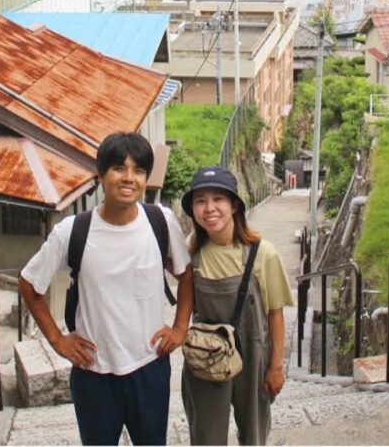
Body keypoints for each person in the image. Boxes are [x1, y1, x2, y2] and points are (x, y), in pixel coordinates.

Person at [18, 132, 193, 446]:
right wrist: (57, 339)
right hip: (93, 372)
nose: (129, 178)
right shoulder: (73, 231)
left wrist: (180, 328)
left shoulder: (160, 221)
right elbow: (29, 283)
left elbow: (186, 274)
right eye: (118, 168)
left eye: (138, 170)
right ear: (100, 175)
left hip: (149, 367)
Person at [180, 166, 294, 446]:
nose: (209, 208)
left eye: (218, 199)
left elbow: (275, 315)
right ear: (193, 210)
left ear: (234, 205)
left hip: (253, 356)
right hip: (206, 357)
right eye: (200, 201)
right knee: (206, 437)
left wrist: (276, 368)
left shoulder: (263, 253)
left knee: (253, 435)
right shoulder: (190, 251)